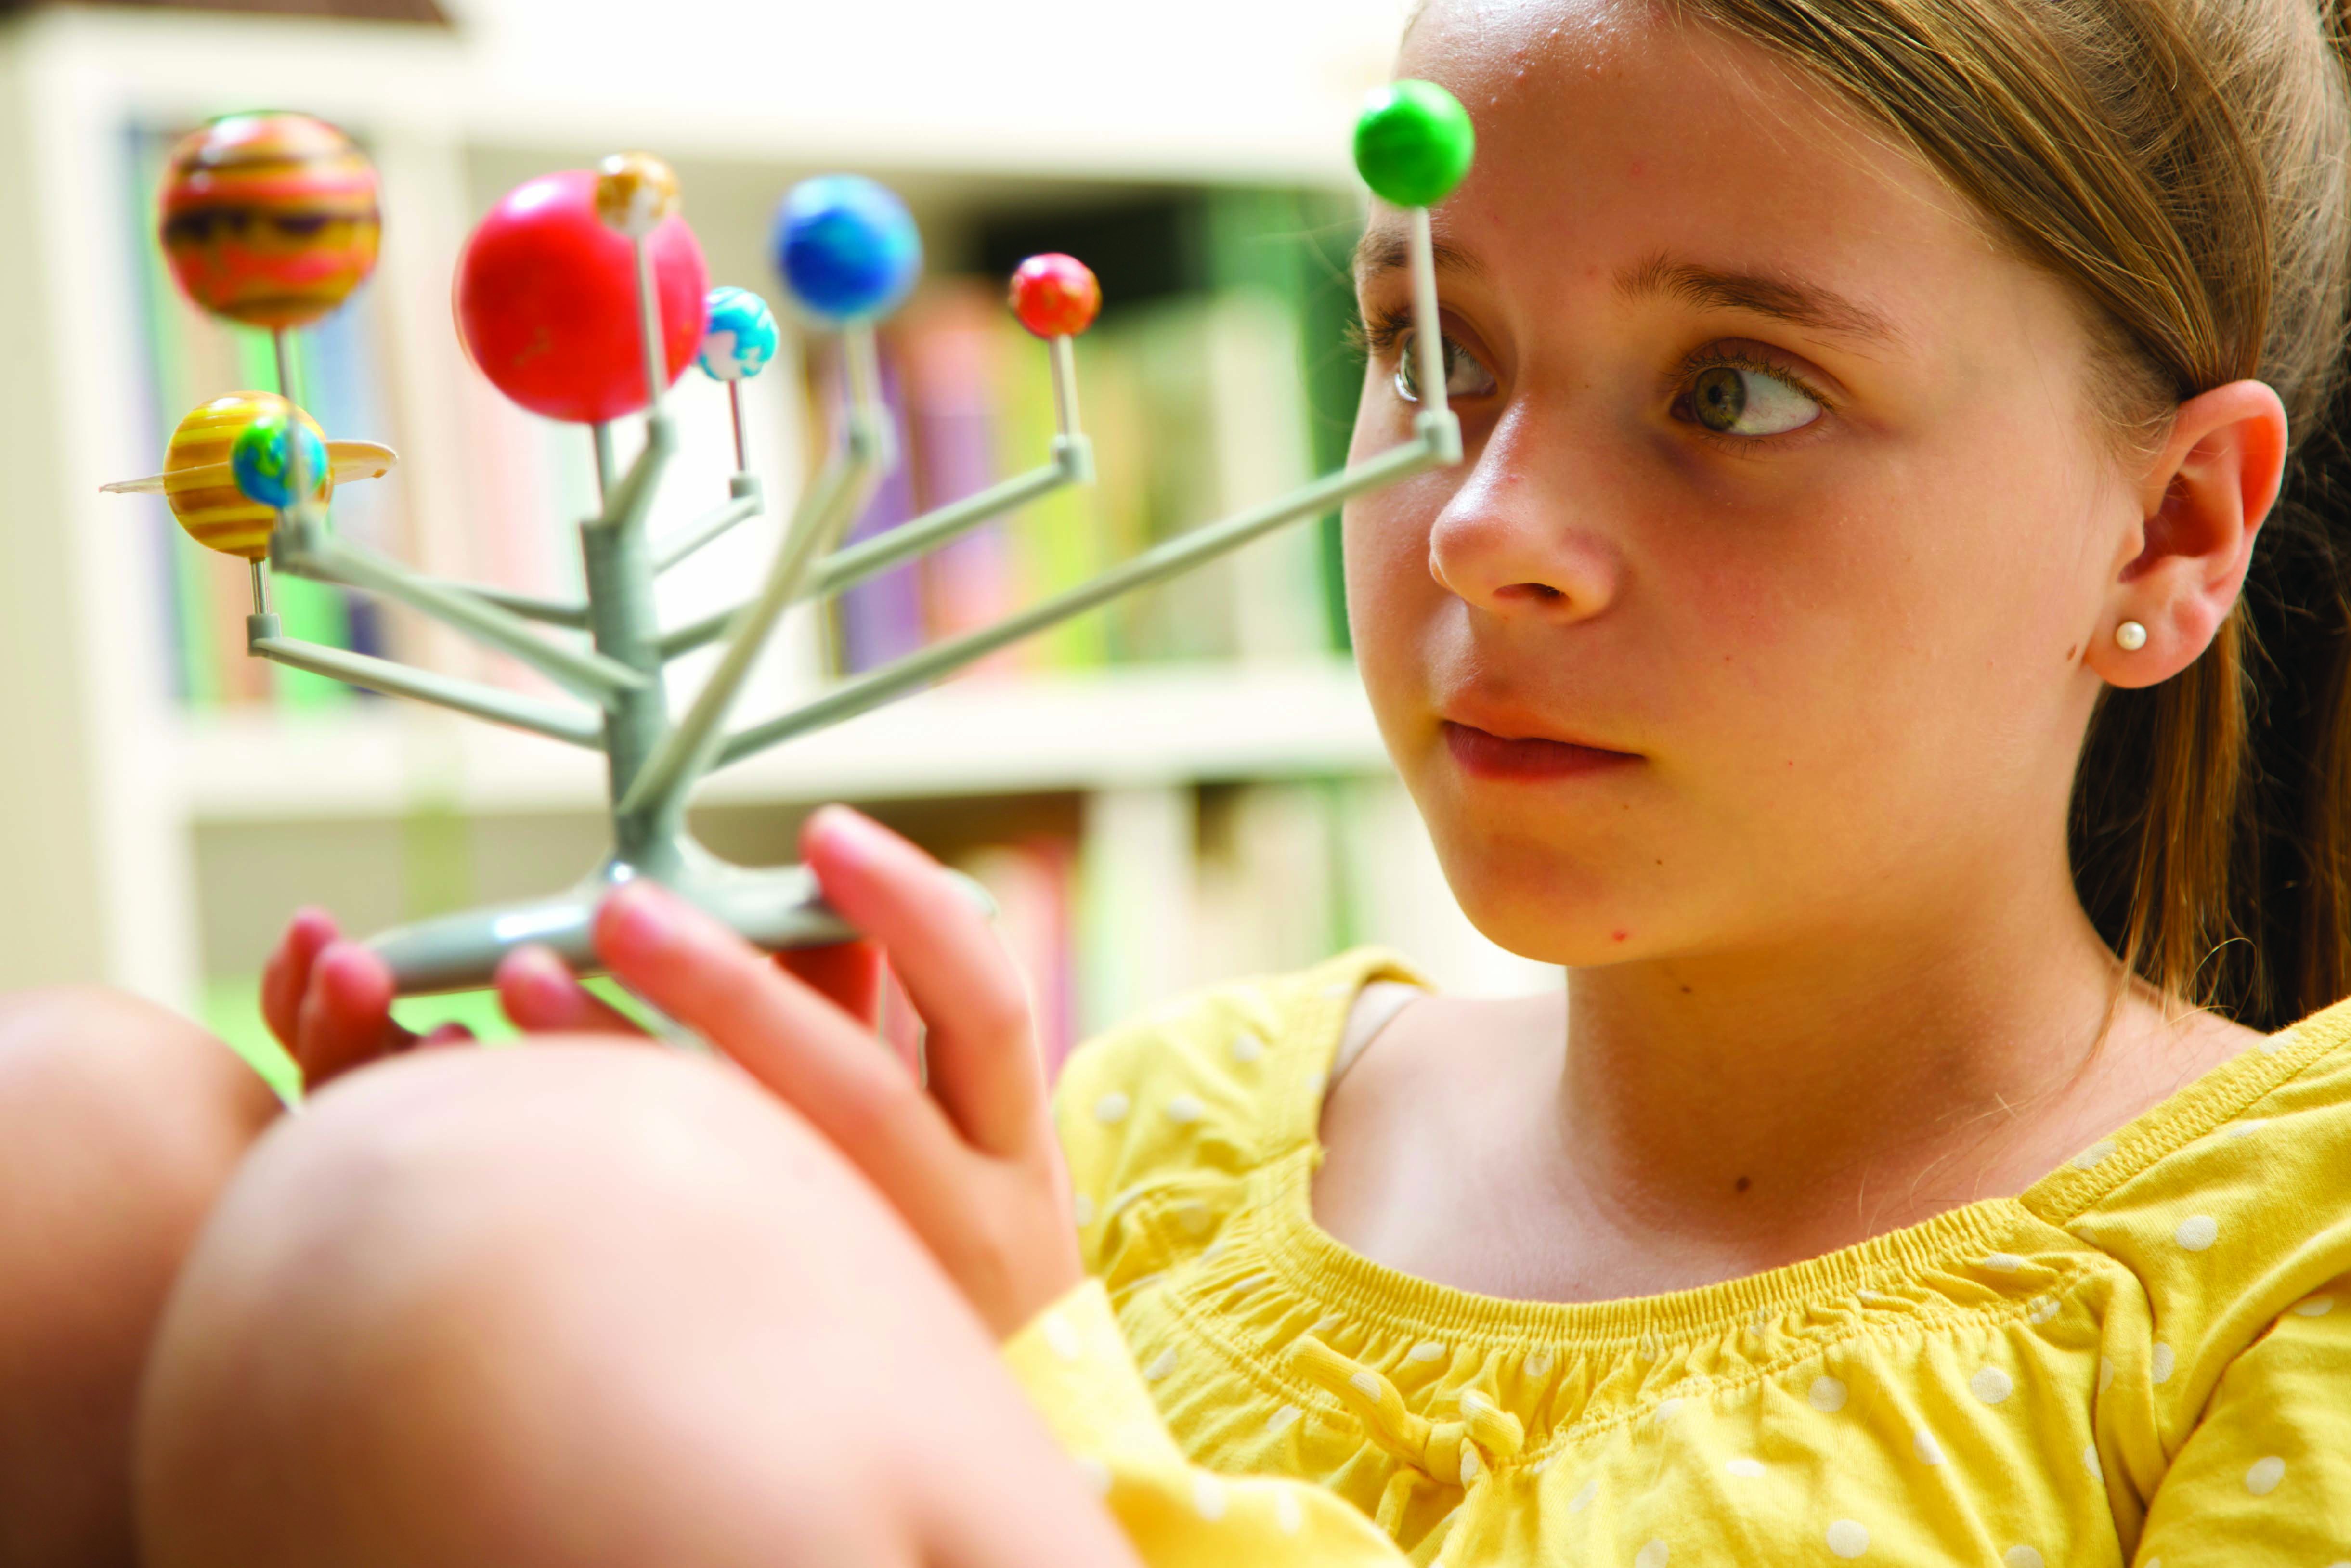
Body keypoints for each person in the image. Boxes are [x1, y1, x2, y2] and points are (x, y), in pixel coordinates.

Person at [97, 0, 2351, 1561]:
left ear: (2168, 532)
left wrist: (1019, 1390)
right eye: (1421, 348)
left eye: (1737, 392)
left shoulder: (2279, 1260)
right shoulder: (1166, 1145)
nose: (1477, 526)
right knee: (96, 1153)